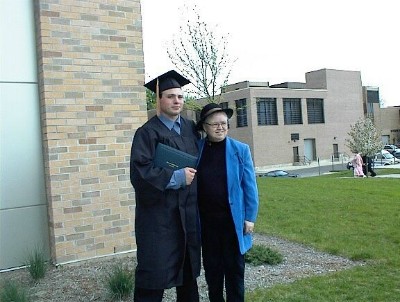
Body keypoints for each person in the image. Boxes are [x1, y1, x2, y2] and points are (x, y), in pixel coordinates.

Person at [130, 70, 201, 302]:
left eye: (180, 96)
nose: (176, 101)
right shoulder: (147, 133)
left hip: (187, 215)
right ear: (159, 99)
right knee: (153, 276)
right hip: (159, 219)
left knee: (188, 276)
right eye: (170, 96)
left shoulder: (191, 129)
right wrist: (177, 177)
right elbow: (140, 174)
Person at [196, 103, 259, 302]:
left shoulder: (241, 150)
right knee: (213, 273)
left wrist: (250, 217)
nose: (220, 128)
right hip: (207, 225)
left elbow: (250, 187)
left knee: (234, 273)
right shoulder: (196, 150)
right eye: (214, 124)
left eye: (224, 123)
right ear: (204, 127)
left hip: (233, 223)